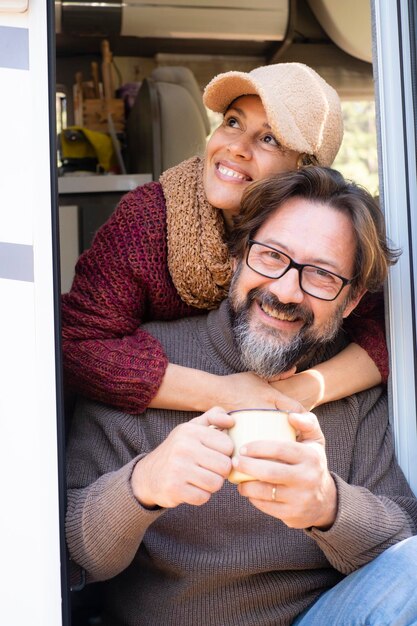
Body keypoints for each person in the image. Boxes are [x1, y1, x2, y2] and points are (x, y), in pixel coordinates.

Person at [66, 167, 417, 626]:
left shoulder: (351, 389)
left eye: (322, 276)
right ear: (237, 258)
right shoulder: (144, 365)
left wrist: (328, 506)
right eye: (271, 256)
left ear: (351, 303)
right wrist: (143, 486)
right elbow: (72, 557)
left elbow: (402, 551)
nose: (285, 290)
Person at [61, 62, 385, 416]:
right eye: (233, 122)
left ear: (304, 171)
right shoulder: (149, 220)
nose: (236, 147)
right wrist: (223, 393)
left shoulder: (328, 242)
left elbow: (390, 336)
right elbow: (74, 342)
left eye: (268, 139)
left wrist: (302, 391)